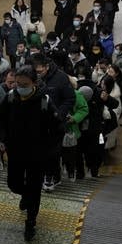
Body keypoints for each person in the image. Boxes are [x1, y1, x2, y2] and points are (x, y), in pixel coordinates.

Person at [0, 65, 63, 241]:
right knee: (14, 184)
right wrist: (3, 139)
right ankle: (25, 195)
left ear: (34, 83)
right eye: (17, 83)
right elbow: (1, 119)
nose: (20, 87)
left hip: (37, 155)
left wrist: (49, 151)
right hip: (16, 152)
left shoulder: (45, 101)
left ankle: (31, 221)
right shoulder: (11, 98)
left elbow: (58, 128)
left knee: (34, 189)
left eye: (24, 84)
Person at [30, 54, 75, 192]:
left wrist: (58, 114)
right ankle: (45, 175)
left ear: (47, 67)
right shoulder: (31, 77)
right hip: (36, 122)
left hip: (55, 123)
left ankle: (51, 177)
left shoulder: (61, 78)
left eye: (40, 72)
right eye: (35, 72)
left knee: (52, 153)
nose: (37, 75)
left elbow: (70, 99)